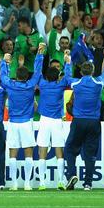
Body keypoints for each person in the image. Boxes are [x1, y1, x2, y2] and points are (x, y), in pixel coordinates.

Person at [0, 43, 44, 191]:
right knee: (28, 153)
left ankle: (13, 184)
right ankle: (27, 184)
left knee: (12, 153)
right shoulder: (31, 85)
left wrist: (5, 62)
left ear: (17, 76)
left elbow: (3, 76)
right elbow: (38, 72)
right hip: (26, 123)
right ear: (27, 76)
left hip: (13, 123)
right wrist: (40, 54)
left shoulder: (10, 85)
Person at [64, 52, 104, 191]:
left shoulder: (76, 83)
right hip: (94, 122)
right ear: (93, 71)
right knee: (90, 154)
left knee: (70, 150)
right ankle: (88, 183)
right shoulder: (98, 82)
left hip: (79, 121)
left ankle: (71, 175)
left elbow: (66, 78)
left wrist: (68, 62)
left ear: (81, 71)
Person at [35, 48, 72, 190]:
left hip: (44, 120)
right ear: (58, 76)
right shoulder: (61, 84)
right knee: (59, 151)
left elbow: (37, 71)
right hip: (57, 121)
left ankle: (42, 183)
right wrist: (67, 62)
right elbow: (68, 77)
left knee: (42, 150)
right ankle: (61, 181)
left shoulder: (43, 84)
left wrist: (40, 54)